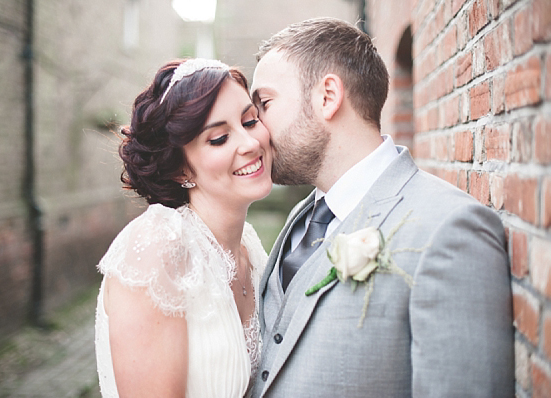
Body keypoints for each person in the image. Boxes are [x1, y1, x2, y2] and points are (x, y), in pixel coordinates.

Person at [248, 18, 514, 397]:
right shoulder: (302, 219)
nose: (255, 128)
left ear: (327, 96)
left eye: (265, 104)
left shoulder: (449, 230)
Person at [94, 58, 273, 397]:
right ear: (181, 171)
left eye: (250, 120)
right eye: (219, 138)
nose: (250, 143)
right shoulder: (158, 245)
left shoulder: (249, 246)